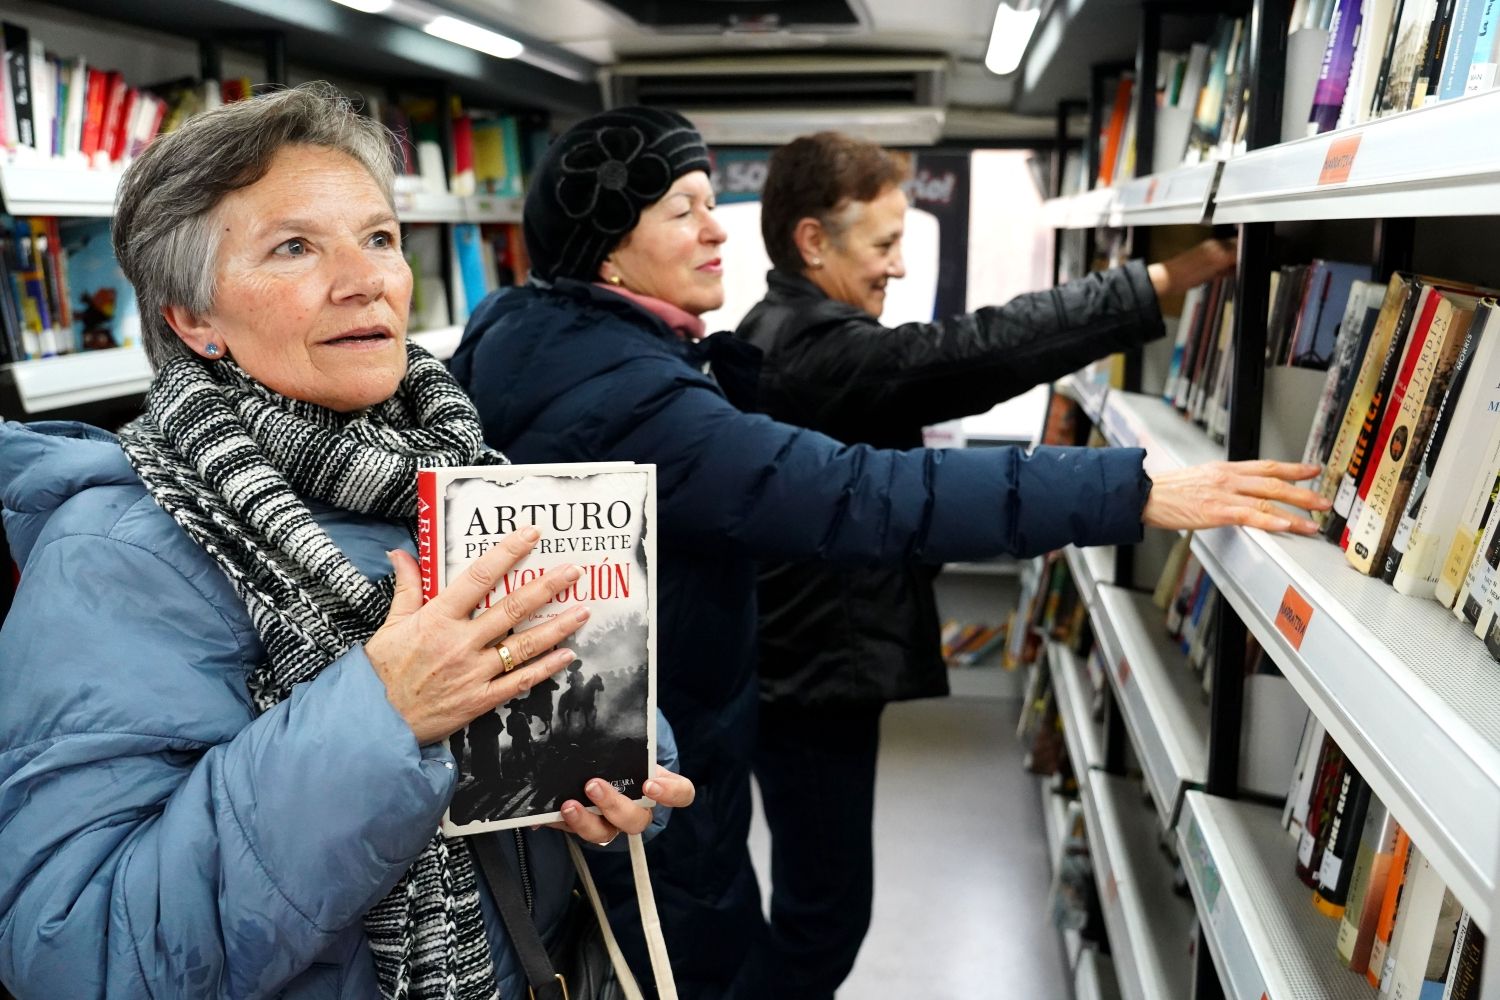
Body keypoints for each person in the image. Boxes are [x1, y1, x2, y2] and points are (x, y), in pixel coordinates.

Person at [448, 106, 1329, 1000]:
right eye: (684, 208)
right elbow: (859, 486)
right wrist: (1130, 490)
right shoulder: (639, 392)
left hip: (651, 742)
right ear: (606, 250)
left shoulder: (561, 345)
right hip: (646, 766)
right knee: (730, 945)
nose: (718, 228)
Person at [0, 84, 694, 1000]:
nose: (366, 279)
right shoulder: (117, 549)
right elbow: (78, 952)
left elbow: (547, 749)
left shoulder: (463, 472)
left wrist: (619, 771)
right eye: (294, 247)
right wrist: (383, 713)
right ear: (191, 320)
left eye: (377, 238)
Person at [731, 131, 1235, 997]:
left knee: (820, 908)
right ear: (813, 241)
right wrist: (1157, 283)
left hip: (807, 661)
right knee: (824, 921)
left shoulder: (787, 327)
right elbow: (970, 353)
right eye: (883, 244)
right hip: (809, 676)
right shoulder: (815, 350)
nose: (896, 267)